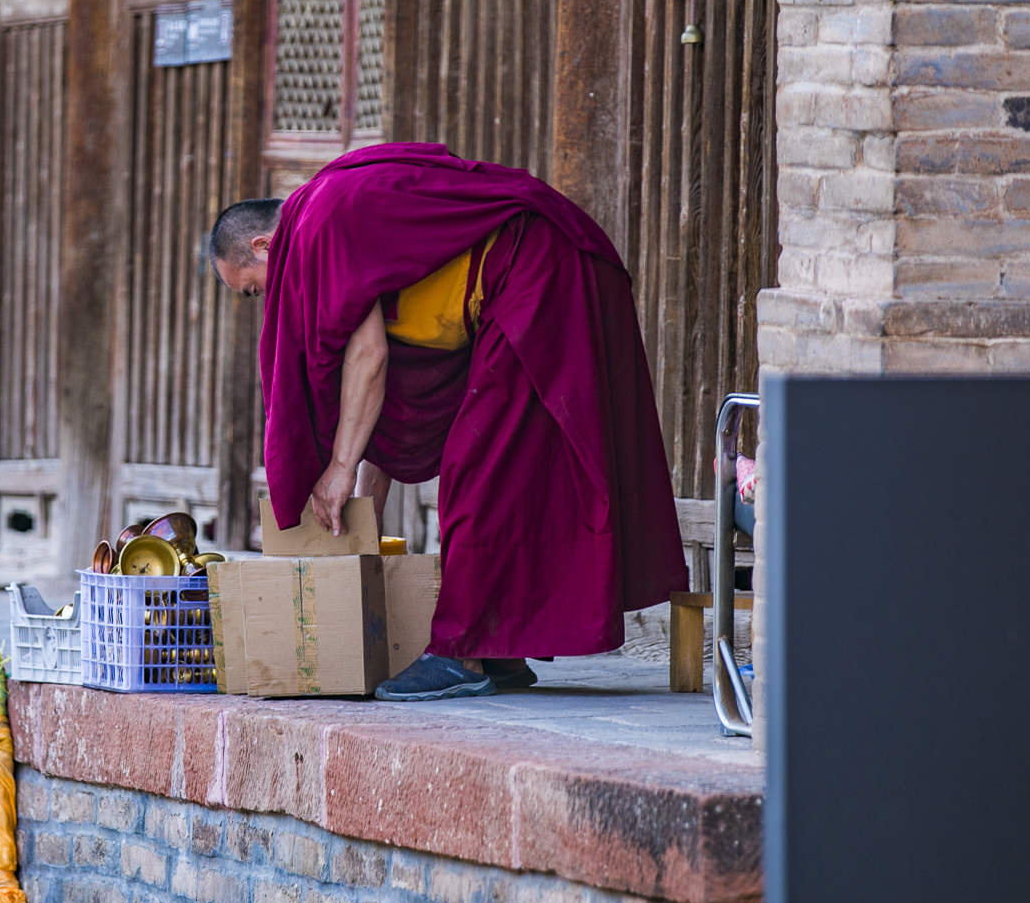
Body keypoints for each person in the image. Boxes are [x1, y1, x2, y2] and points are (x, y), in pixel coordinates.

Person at [209, 143, 686, 700]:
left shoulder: (319, 226)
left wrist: (339, 470)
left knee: (478, 468)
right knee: (519, 469)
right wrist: (363, 510)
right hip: (534, 277)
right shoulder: (325, 214)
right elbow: (382, 404)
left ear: (265, 247)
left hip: (537, 273)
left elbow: (369, 359)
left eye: (251, 290)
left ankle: (461, 654)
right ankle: (499, 650)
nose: (262, 303)